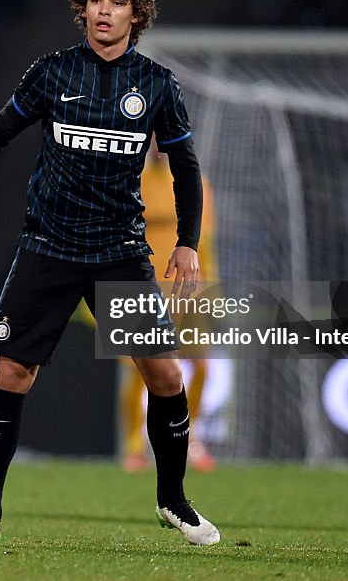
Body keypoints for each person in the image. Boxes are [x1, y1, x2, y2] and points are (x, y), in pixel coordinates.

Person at [0, 0, 219, 546]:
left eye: (116, 2)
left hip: (118, 254)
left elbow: (186, 168)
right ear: (83, 9)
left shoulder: (156, 85)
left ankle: (173, 501)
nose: (103, 10)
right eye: (95, 0)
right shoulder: (52, 72)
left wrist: (186, 245)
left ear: (135, 14)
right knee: (13, 372)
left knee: (166, 375)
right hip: (48, 247)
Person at [122, 155, 219, 473]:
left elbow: (205, 245)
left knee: (201, 365)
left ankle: (191, 438)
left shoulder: (197, 184)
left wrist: (212, 291)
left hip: (189, 289)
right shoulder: (134, 180)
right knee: (140, 368)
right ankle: (135, 446)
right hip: (146, 285)